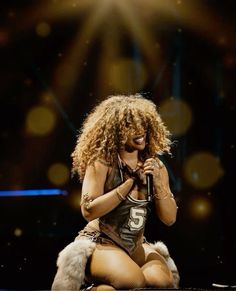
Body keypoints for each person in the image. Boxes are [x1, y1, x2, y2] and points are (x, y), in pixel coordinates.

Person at [51, 94, 179, 291]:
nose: (140, 130)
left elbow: (170, 219)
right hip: (102, 242)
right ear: (115, 131)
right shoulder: (102, 163)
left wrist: (160, 184)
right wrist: (129, 183)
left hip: (136, 245)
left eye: (143, 124)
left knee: (162, 282)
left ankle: (104, 285)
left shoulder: (155, 167)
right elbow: (88, 211)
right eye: (130, 125)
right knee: (132, 282)